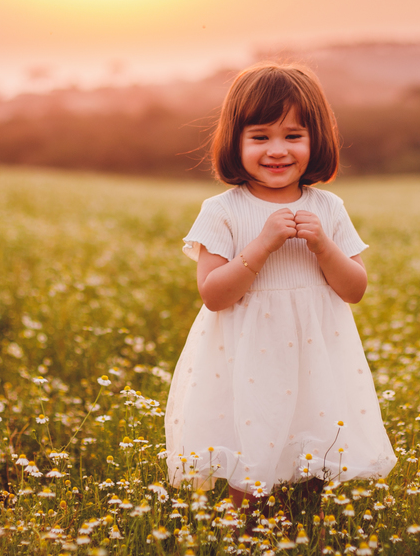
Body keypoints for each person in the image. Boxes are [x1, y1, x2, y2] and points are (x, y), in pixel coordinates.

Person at [164, 62, 397, 513]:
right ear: (235, 141)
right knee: (251, 449)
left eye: (293, 136)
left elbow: (354, 289)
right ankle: (248, 535)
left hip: (314, 354)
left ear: (317, 142)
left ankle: (304, 531)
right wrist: (263, 244)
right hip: (248, 355)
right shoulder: (223, 210)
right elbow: (214, 294)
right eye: (260, 137)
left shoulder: (327, 208)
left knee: (316, 448)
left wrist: (324, 246)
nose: (277, 150)